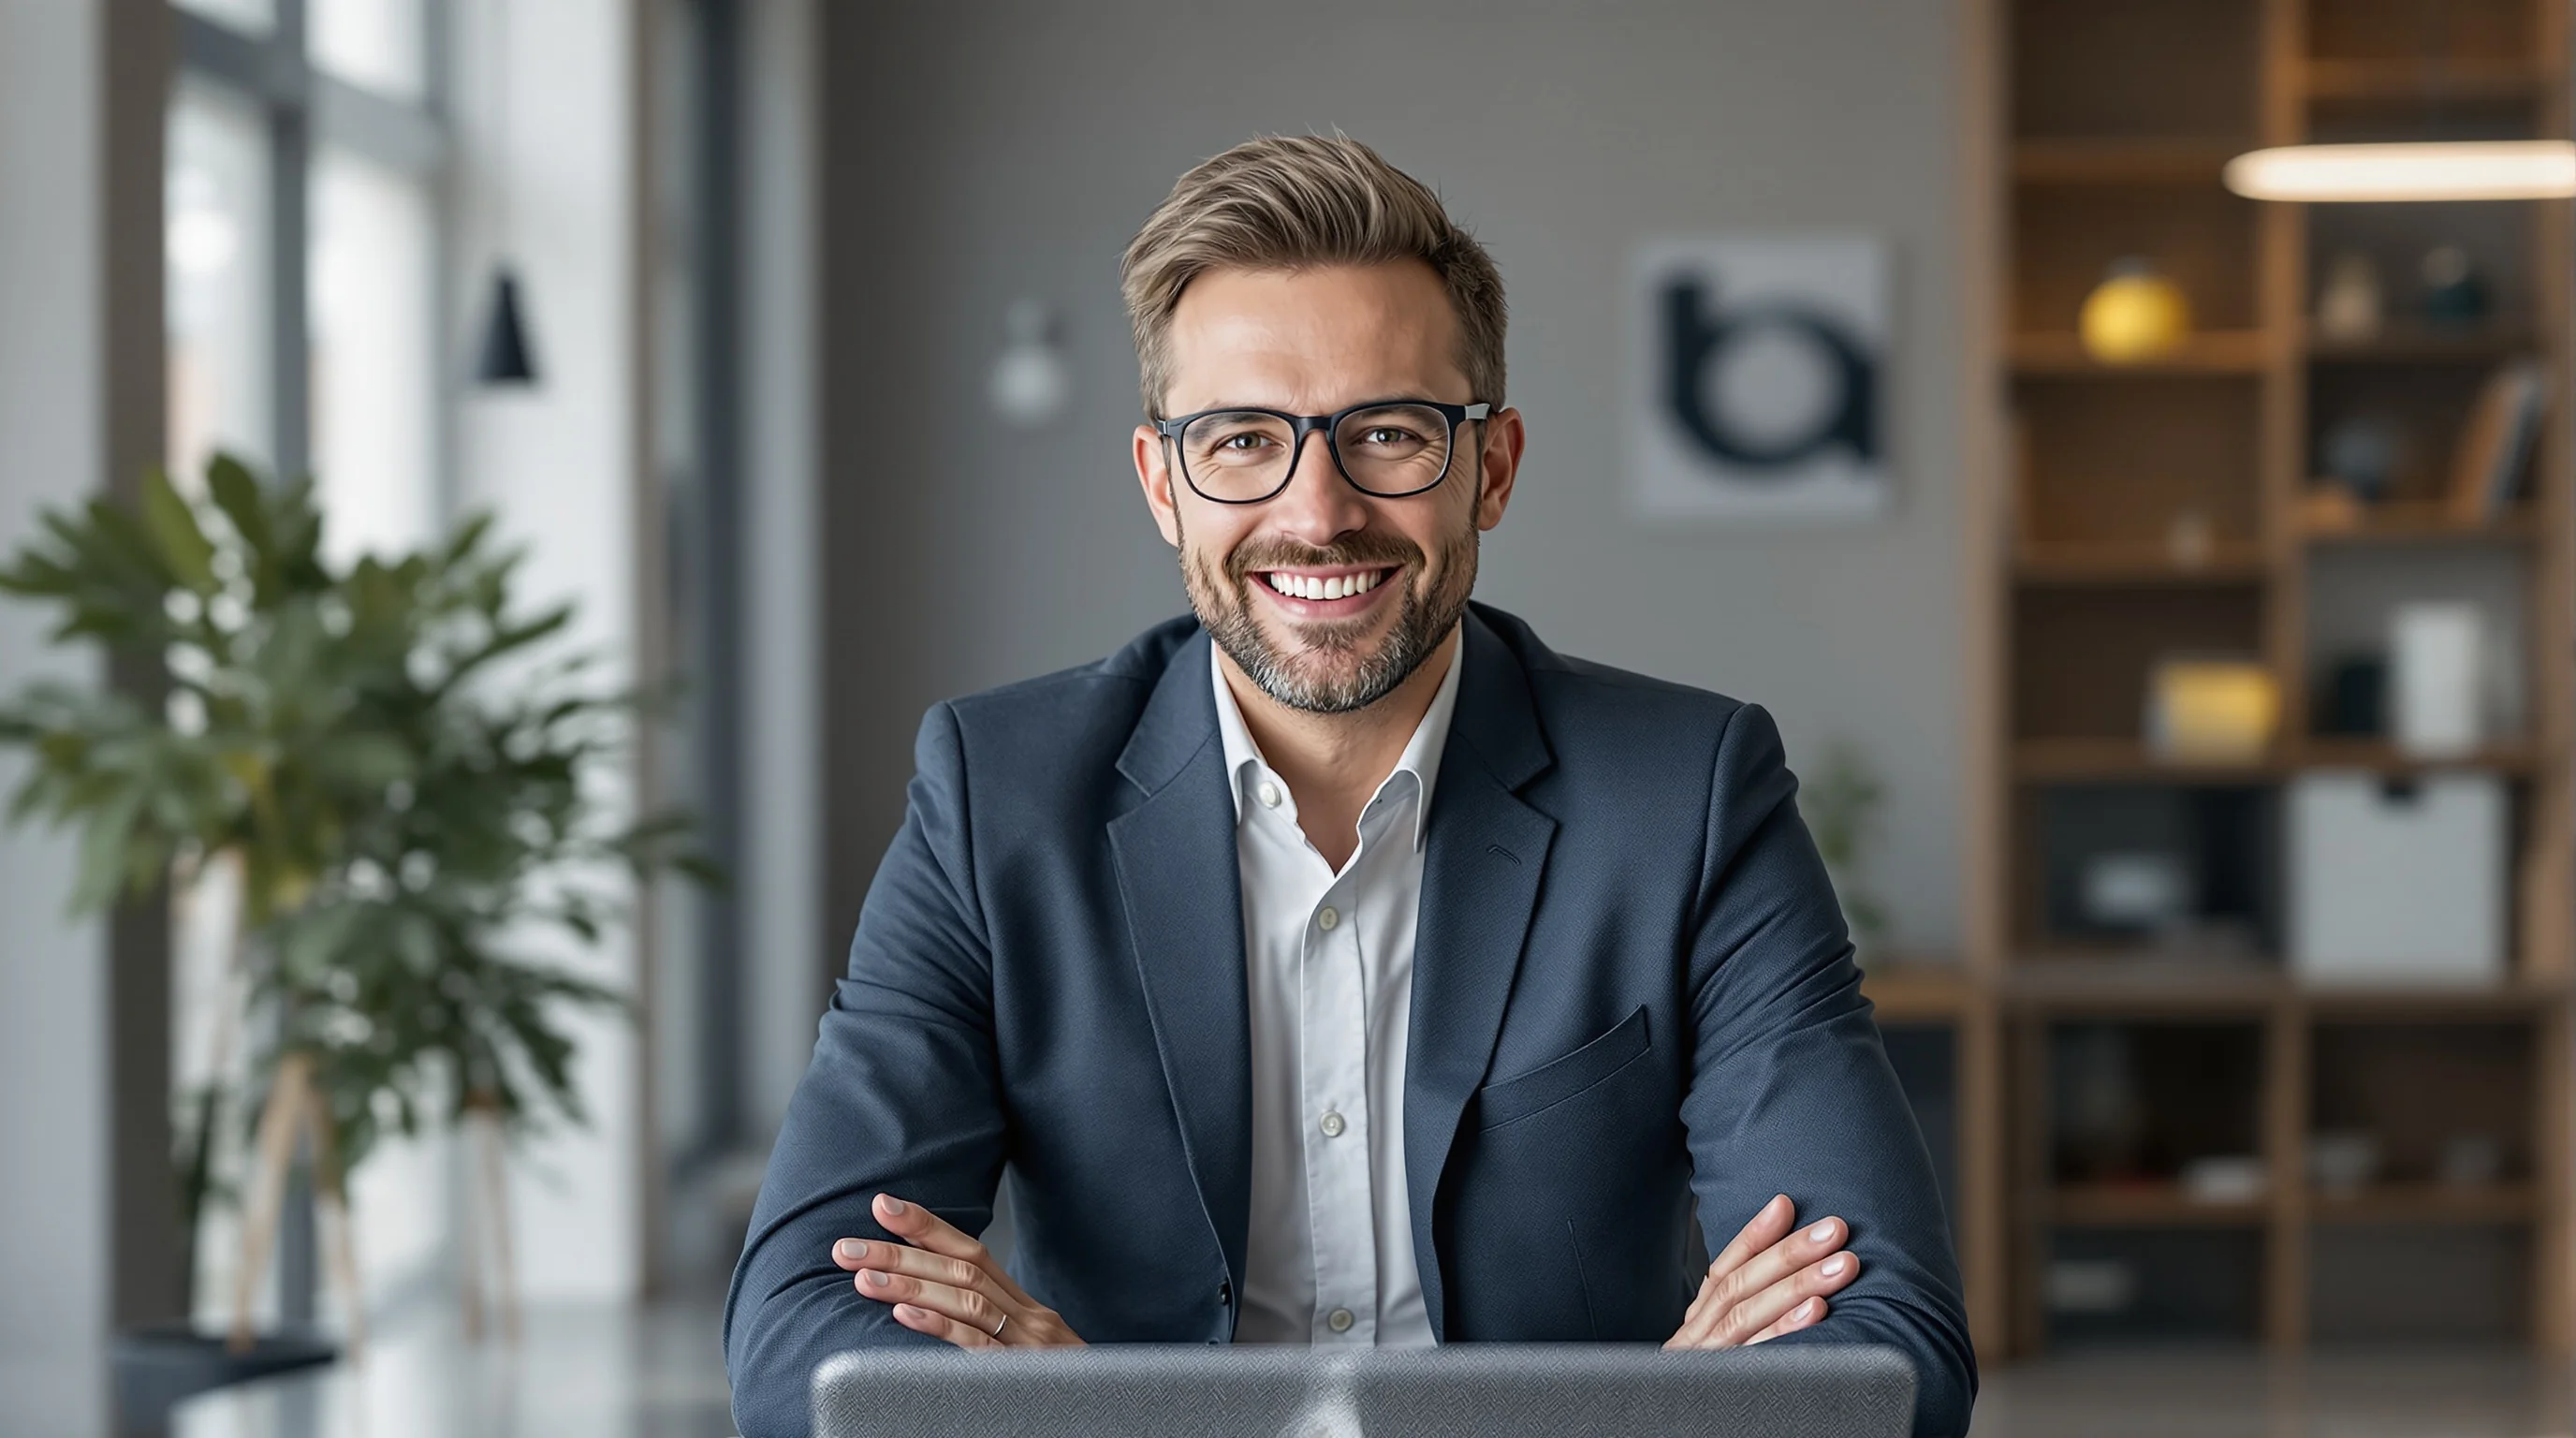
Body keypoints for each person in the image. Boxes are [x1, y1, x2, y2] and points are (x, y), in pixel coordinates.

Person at [724, 134, 1973, 1438]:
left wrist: (1071, 1403)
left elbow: (1887, 1353)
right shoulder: (998, 801)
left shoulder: (1692, 797)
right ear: (1164, 484)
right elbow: (801, 1338)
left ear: (1491, 466)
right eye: (1244, 439)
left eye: (1389, 432)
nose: (1317, 512)